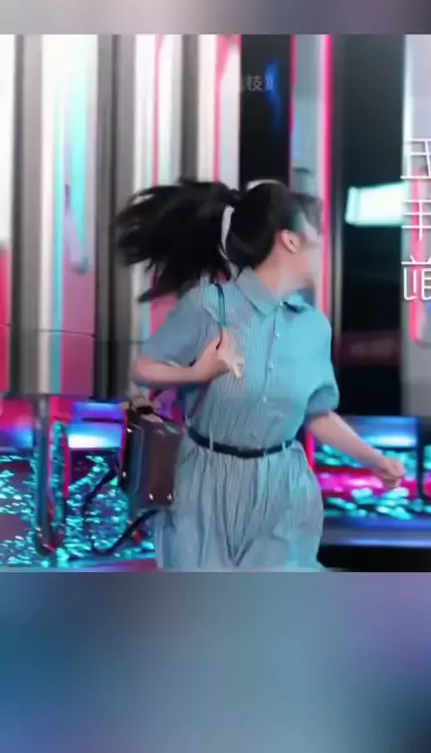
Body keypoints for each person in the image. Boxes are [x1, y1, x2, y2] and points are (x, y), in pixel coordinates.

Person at [116, 179, 405, 570]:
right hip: (203, 486)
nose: (324, 246)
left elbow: (317, 415)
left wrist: (375, 460)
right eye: (317, 235)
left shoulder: (314, 327)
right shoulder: (209, 305)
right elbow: (143, 368)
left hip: (283, 490)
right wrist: (197, 373)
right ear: (289, 240)